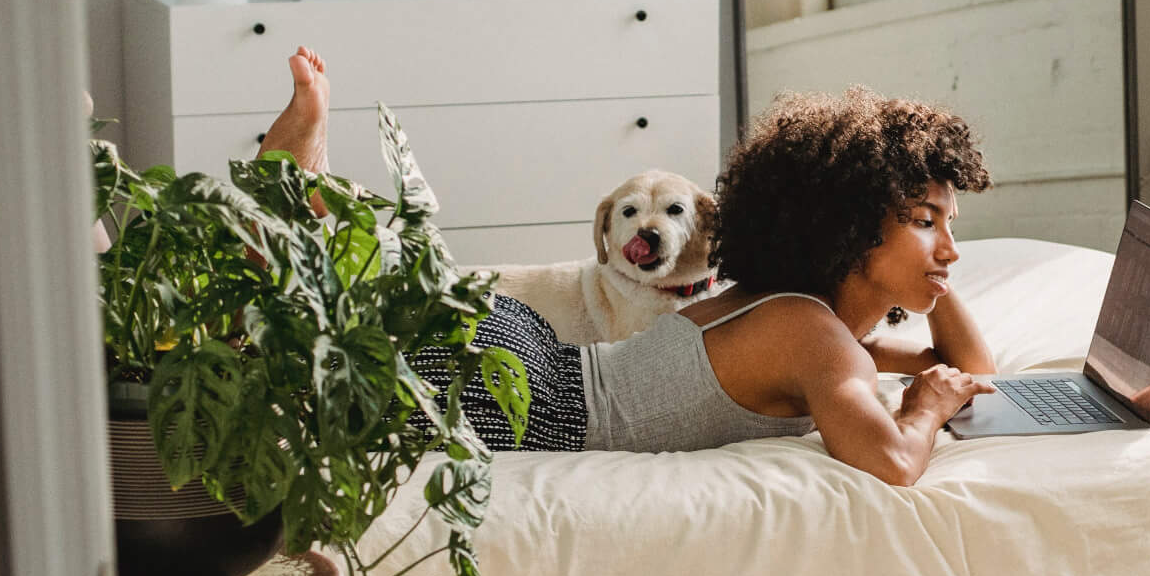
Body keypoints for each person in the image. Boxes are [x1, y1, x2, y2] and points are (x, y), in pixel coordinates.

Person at [257, 49, 999, 486]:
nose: (948, 247)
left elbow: (971, 366)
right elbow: (893, 463)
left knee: (367, 300)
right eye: (923, 221)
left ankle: (308, 196)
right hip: (534, 402)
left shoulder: (812, 324)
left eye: (951, 226)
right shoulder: (817, 340)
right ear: (848, 228)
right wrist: (922, 408)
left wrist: (935, 272)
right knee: (307, 323)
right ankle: (292, 199)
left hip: (528, 359)